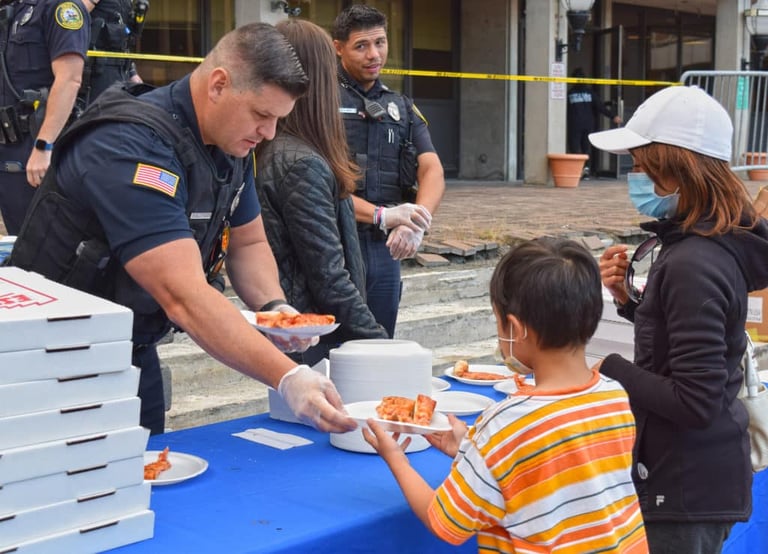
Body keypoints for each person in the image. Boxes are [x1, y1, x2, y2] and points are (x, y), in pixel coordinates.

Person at [5, 23, 358, 438]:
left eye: (279, 119)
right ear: (219, 85)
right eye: (262, 115)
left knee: (150, 478)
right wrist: (287, 378)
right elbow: (184, 297)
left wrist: (275, 307)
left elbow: (248, 241)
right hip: (47, 360)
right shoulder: (130, 146)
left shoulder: (229, 144)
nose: (269, 133)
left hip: (130, 348)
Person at [364, 237, 648, 553]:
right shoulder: (613, 395)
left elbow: (443, 521)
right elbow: (548, 472)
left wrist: (395, 457)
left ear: (514, 328)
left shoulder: (504, 423)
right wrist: (469, 449)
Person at [589, 85, 768, 553]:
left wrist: (606, 369)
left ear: (678, 172)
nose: (634, 179)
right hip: (694, 473)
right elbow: (688, 337)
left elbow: (695, 401)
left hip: (688, 486)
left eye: (642, 168)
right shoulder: (699, 244)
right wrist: (632, 302)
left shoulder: (695, 261)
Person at [255, 19, 387, 367]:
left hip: (305, 337)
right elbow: (329, 280)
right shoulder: (300, 162)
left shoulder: (290, 151)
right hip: (313, 345)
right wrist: (385, 345)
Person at [332, 4, 445, 338]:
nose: (374, 54)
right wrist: (382, 215)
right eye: (361, 46)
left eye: (380, 42)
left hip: (385, 248)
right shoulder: (319, 101)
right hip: (334, 242)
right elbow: (316, 187)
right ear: (338, 47)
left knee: (380, 343)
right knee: (330, 349)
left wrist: (417, 222)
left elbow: (432, 169)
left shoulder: (401, 106)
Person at [0, 0, 90, 235]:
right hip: (8, 145)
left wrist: (44, 145)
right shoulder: (15, 11)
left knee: (41, 241)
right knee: (17, 240)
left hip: (36, 145)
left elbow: (70, 79)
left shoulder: (62, 8)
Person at [81, 0, 147, 105]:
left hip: (121, 71)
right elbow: (75, 14)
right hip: (95, 70)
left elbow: (126, 36)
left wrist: (132, 72)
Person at [567, 67, 621, 178]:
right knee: (585, 148)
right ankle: (584, 170)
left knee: (576, 148)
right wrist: (613, 116)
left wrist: (613, 116)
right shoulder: (589, 93)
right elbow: (600, 107)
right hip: (587, 124)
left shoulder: (570, 93)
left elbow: (599, 106)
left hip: (575, 125)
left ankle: (580, 171)